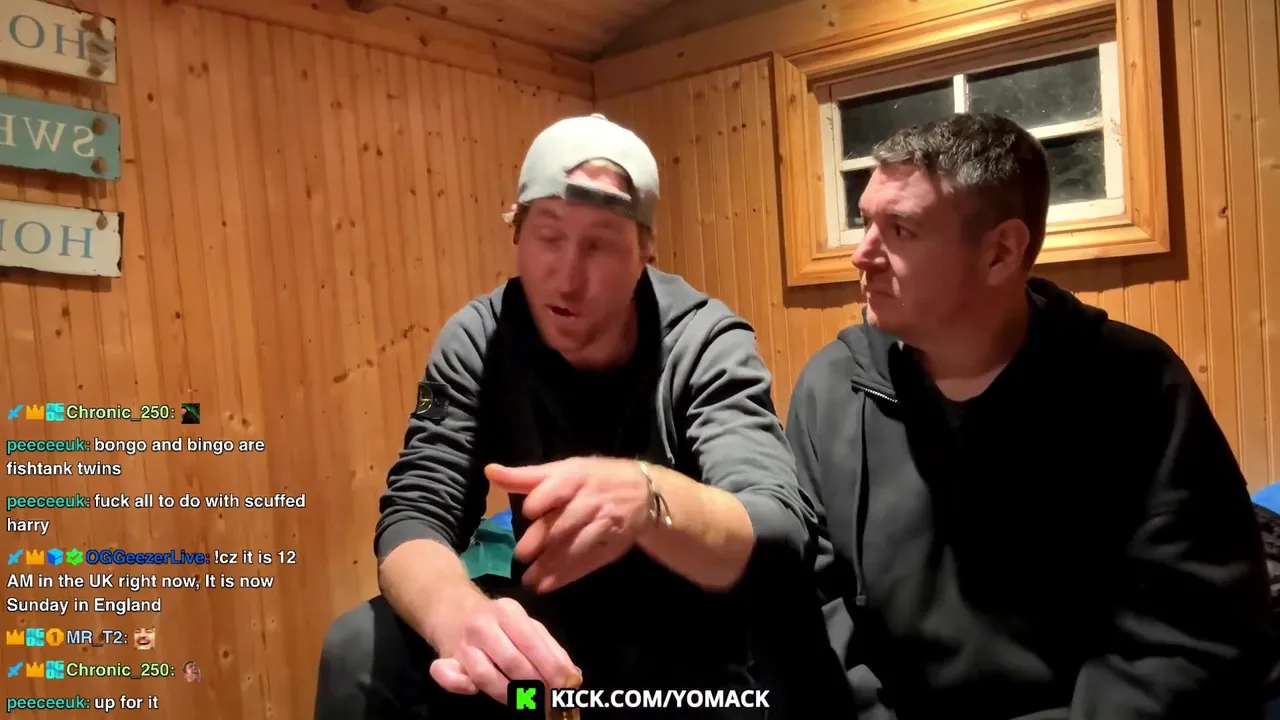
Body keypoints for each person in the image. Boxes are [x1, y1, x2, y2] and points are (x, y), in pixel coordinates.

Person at [316, 113, 821, 719]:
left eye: (600, 244)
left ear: (645, 250)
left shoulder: (705, 343)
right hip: (551, 668)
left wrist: (649, 498)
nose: (568, 276)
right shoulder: (478, 340)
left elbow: (778, 529)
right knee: (359, 649)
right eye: (548, 237)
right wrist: (457, 615)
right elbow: (415, 510)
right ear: (516, 231)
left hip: (692, 667)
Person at [786, 112, 1273, 719]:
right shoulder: (831, 388)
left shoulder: (1136, 386)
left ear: (1000, 253)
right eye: (865, 223)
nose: (862, 256)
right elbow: (805, 606)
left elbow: (1197, 639)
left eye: (900, 230)